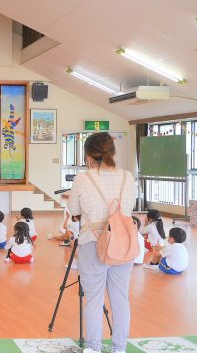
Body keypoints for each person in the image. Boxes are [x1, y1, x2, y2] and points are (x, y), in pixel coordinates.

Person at [67, 132, 136, 353]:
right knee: (120, 298)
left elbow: (75, 211)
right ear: (112, 152)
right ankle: (119, 348)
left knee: (94, 299)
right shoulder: (128, 177)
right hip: (123, 243)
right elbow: (128, 210)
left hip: (92, 242)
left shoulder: (83, 178)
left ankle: (94, 348)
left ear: (88, 155)